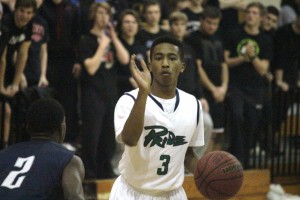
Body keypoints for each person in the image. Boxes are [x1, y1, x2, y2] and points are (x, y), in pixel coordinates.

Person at [110, 36, 204, 199]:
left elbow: (187, 154)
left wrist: (209, 174)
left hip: (172, 194)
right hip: (132, 192)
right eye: (159, 58)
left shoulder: (193, 104)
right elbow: (130, 139)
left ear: (182, 66)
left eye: (172, 58)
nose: (165, 63)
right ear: (150, 65)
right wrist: (143, 92)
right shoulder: (130, 100)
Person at [79, 2, 129, 179]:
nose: (104, 17)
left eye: (107, 14)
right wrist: (102, 46)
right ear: (94, 15)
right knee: (92, 136)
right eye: (100, 13)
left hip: (110, 93)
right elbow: (91, 68)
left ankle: (105, 171)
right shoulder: (86, 40)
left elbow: (124, 60)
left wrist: (113, 39)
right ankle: (90, 174)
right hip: (93, 94)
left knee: (109, 136)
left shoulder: (112, 40)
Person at [0, 98, 85, 199]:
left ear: (28, 128)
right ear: (62, 129)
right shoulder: (69, 160)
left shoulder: (3, 154)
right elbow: (74, 197)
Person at [224, 2, 273, 168]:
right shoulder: (233, 33)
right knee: (237, 116)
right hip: (236, 85)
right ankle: (235, 157)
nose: (250, 15)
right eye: (248, 12)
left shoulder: (265, 40)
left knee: (253, 123)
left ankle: (243, 161)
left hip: (256, 88)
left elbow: (263, 69)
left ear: (261, 17)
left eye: (254, 13)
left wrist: (252, 57)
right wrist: (243, 58)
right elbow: (227, 61)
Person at [169, 11, 213, 157]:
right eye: (176, 24)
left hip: (190, 99)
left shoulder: (190, 49)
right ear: (170, 27)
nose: (179, 28)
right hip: (169, 98)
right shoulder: (163, 48)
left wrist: (201, 96)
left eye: (182, 25)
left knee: (207, 123)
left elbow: (195, 75)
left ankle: (192, 161)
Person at [186, 6, 228, 152]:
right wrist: (212, 88)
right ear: (201, 20)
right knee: (203, 132)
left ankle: (212, 168)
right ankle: (201, 166)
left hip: (219, 90)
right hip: (204, 91)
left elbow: (224, 64)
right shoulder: (192, 39)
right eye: (209, 22)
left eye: (215, 24)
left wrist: (223, 87)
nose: (212, 26)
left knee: (218, 131)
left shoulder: (219, 37)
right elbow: (197, 68)